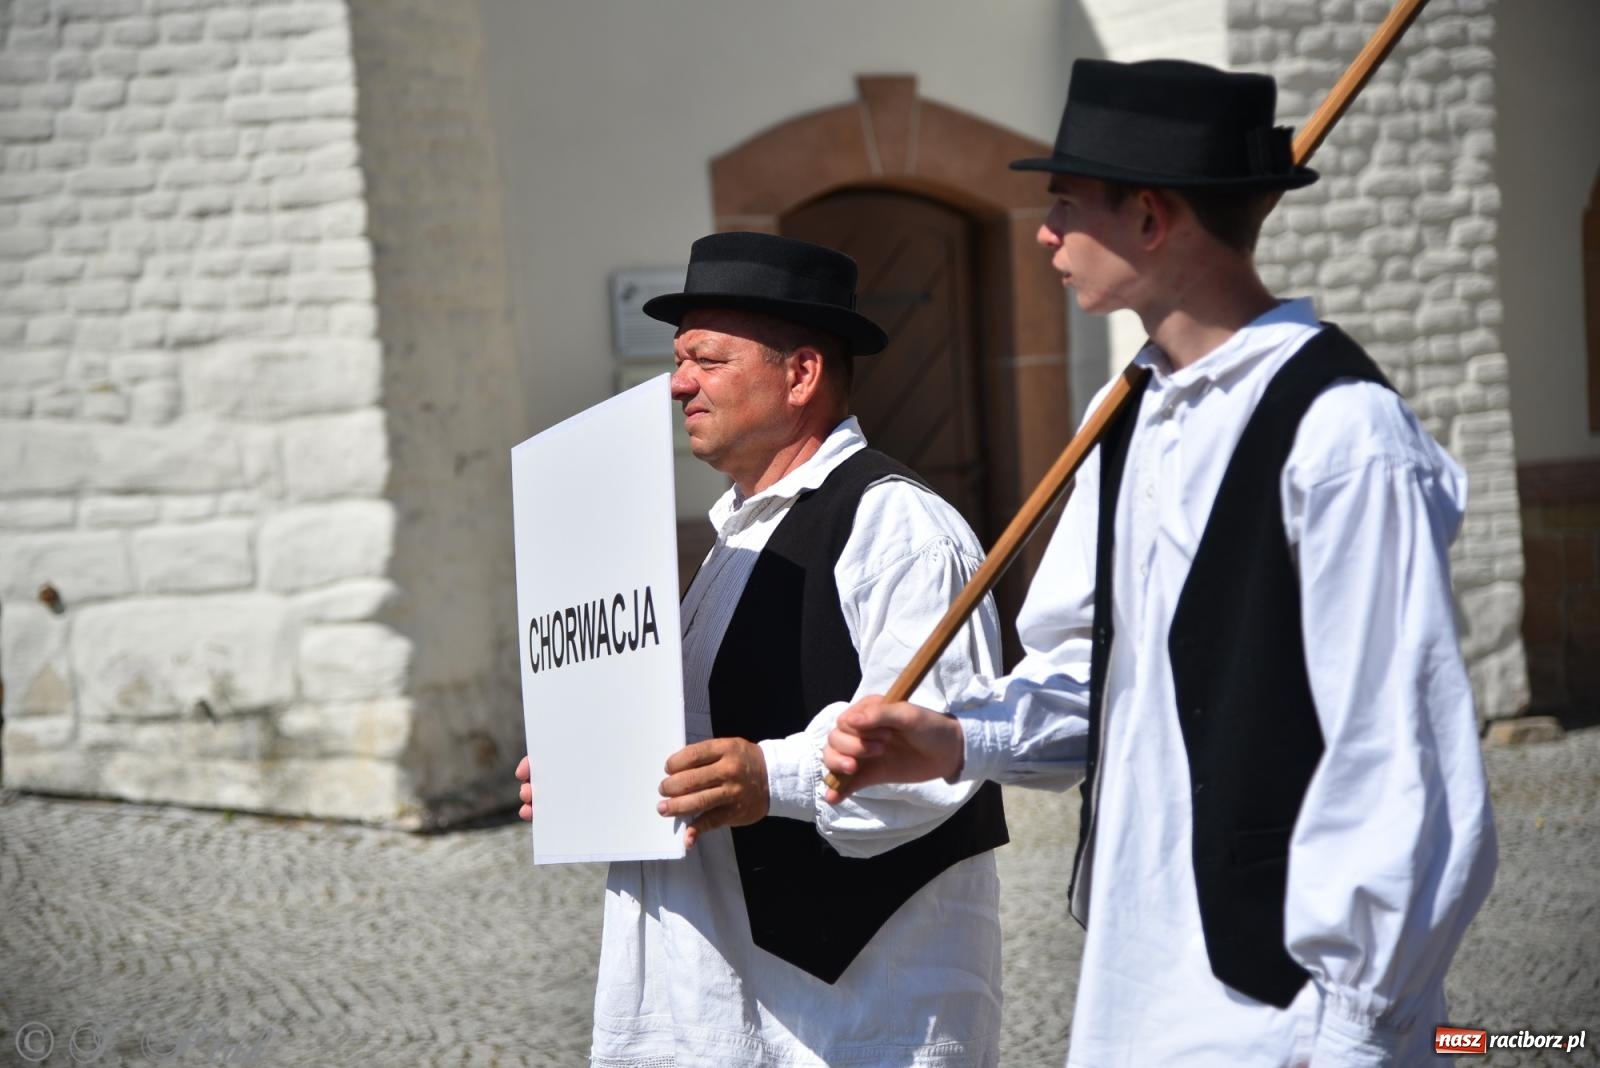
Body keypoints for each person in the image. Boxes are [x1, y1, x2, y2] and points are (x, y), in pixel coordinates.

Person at [823, 59, 1497, 1066]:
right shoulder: (1130, 417)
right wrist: (959, 738)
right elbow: (1110, 685)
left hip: (1283, 1016)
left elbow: (1400, 760)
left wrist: (1358, 1029)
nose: (1045, 232)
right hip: (1136, 986)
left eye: (1066, 202)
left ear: (1149, 216)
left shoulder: (1344, 438)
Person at [516, 231, 1010, 1066]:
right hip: (703, 997)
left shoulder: (901, 530)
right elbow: (697, 735)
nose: (679, 384)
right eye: (679, 361)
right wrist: (596, 777)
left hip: (849, 1019)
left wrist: (767, 777)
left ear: (801, 373)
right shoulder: (736, 538)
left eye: (706, 360)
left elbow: (938, 747)